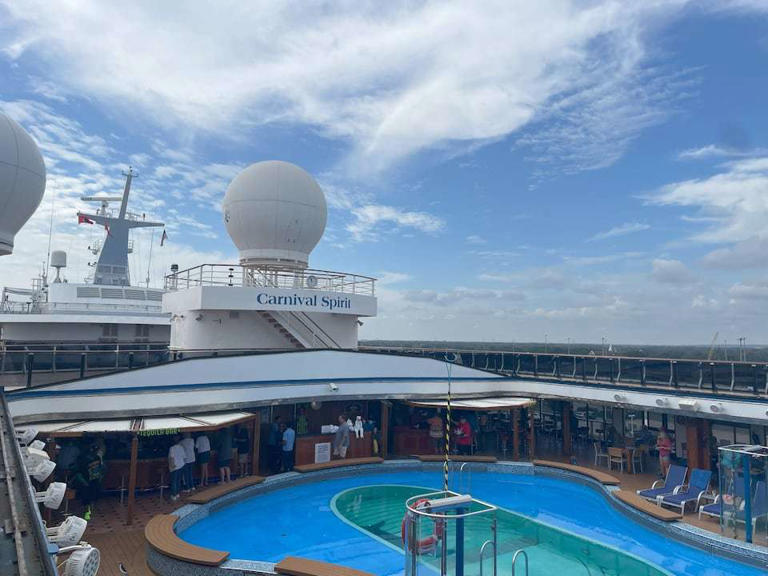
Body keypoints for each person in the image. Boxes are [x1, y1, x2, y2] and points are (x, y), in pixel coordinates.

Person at [74, 442, 106, 519]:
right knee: (91, 496)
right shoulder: (95, 458)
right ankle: (89, 512)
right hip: (92, 480)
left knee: (88, 497)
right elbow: (101, 469)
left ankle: (88, 512)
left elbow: (78, 471)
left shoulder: (83, 458)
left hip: (88, 481)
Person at [168, 436, 186, 501]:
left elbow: (171, 458)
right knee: (178, 481)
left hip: (175, 467)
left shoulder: (171, 448)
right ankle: (177, 493)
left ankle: (174, 495)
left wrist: (172, 467)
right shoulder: (181, 447)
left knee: (174, 481)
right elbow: (184, 457)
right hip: (181, 465)